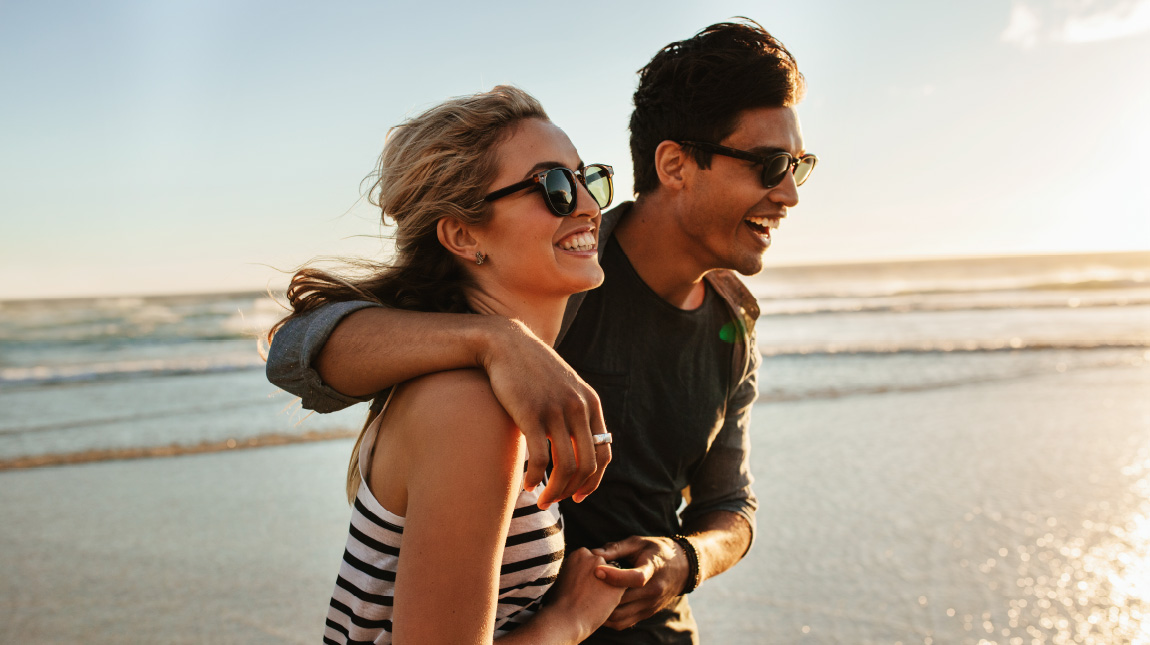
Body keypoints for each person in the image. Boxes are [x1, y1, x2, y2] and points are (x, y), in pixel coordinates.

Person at [267, 20, 816, 644]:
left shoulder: (732, 324)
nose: (790, 194)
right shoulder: (554, 282)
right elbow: (293, 352)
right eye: (770, 165)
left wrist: (685, 559)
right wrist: (498, 342)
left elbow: (730, 503)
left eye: (798, 166)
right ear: (674, 165)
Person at [275, 86, 626, 644]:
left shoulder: (483, 385)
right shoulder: (470, 406)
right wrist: (572, 619)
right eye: (555, 187)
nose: (587, 204)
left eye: (588, 179)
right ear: (463, 235)